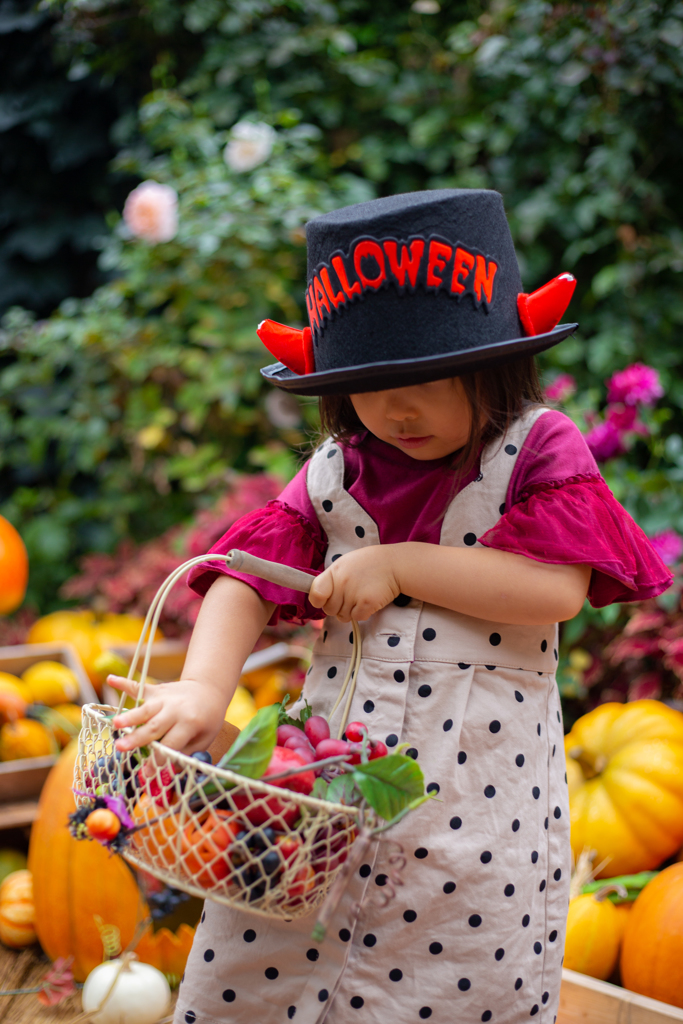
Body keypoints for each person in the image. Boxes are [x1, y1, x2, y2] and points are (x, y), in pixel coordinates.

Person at [110, 190, 672, 1024]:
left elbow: (557, 588)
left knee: (454, 986)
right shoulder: (338, 467)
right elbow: (243, 573)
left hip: (475, 816)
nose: (396, 410)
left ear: (492, 366)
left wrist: (399, 564)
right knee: (266, 969)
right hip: (323, 802)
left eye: (426, 381)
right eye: (370, 387)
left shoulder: (536, 446)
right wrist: (203, 688)